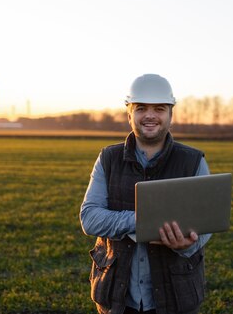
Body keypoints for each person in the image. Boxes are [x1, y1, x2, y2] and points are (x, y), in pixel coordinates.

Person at [80, 74, 211, 314]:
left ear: (171, 114)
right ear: (129, 113)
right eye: (141, 108)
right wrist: (142, 222)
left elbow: (205, 224)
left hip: (175, 297)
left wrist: (185, 246)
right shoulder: (108, 159)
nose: (150, 115)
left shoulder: (193, 162)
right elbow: (90, 218)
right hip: (116, 297)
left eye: (159, 108)